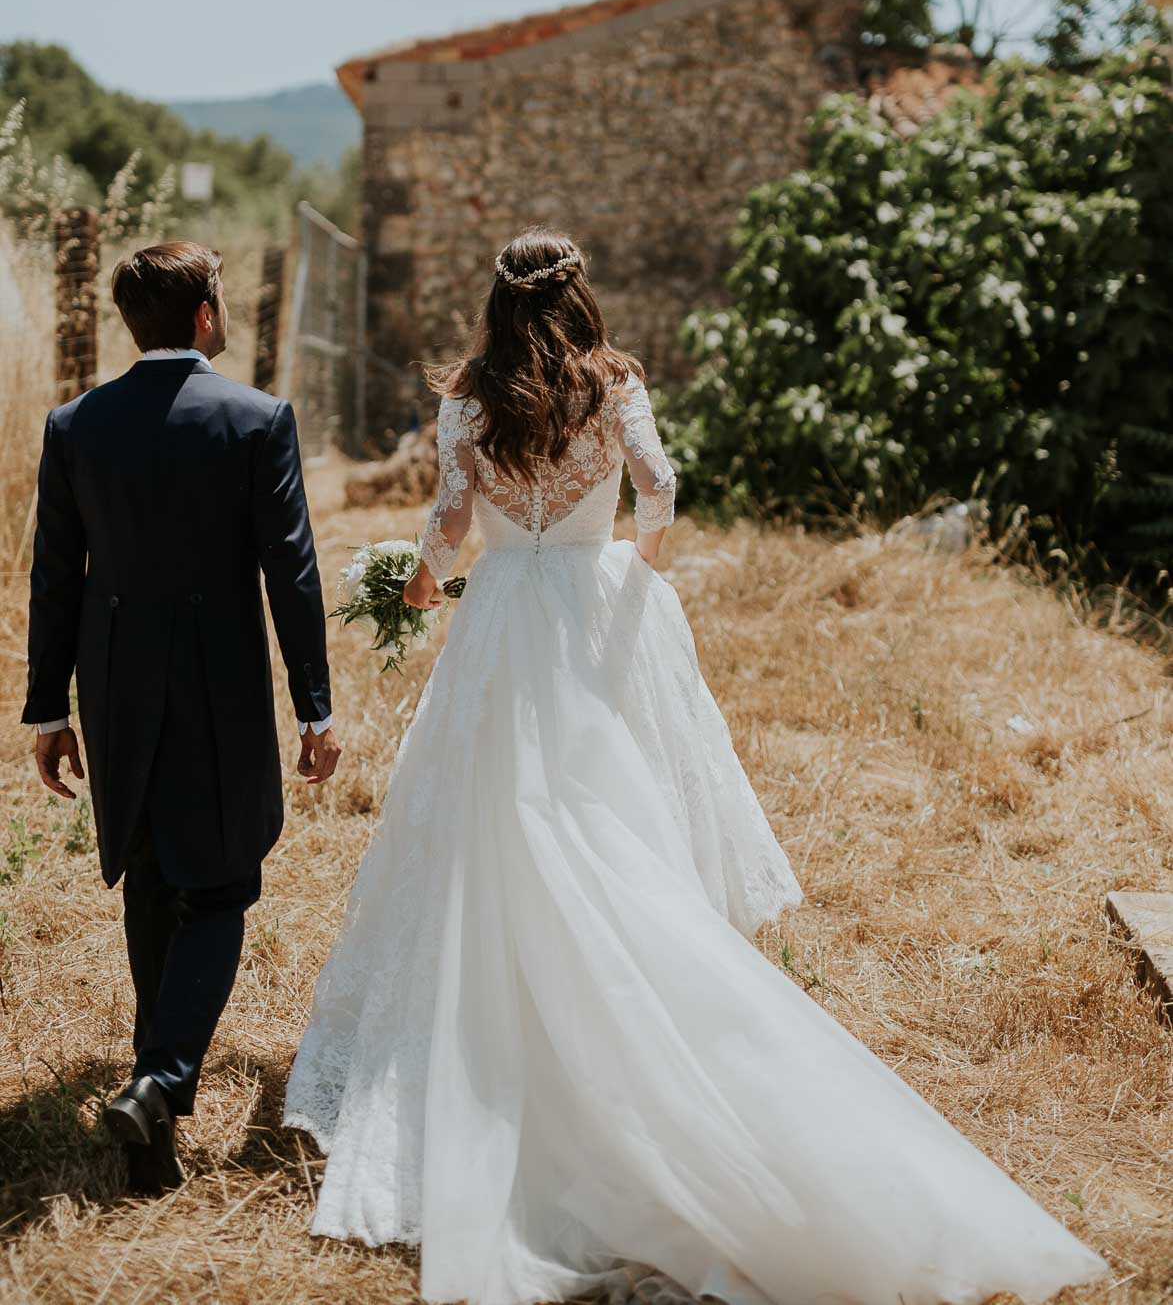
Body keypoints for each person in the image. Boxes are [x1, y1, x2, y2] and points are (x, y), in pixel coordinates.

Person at [285, 227, 1106, 1305]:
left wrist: (428, 582)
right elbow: (661, 487)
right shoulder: (613, 384)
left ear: (495, 300)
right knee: (605, 815)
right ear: (580, 294)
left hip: (503, 630)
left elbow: (448, 519)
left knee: (495, 828)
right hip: (586, 603)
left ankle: (502, 1033)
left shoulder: (470, 397)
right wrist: (631, 561)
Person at [24, 241, 340, 1195]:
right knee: (223, 886)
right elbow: (290, 570)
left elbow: (54, 577)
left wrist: (48, 707)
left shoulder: (76, 423)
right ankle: (160, 1078)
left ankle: (150, 1144)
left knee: (153, 884)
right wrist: (313, 703)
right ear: (204, 314)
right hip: (219, 688)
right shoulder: (256, 419)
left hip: (111, 684)